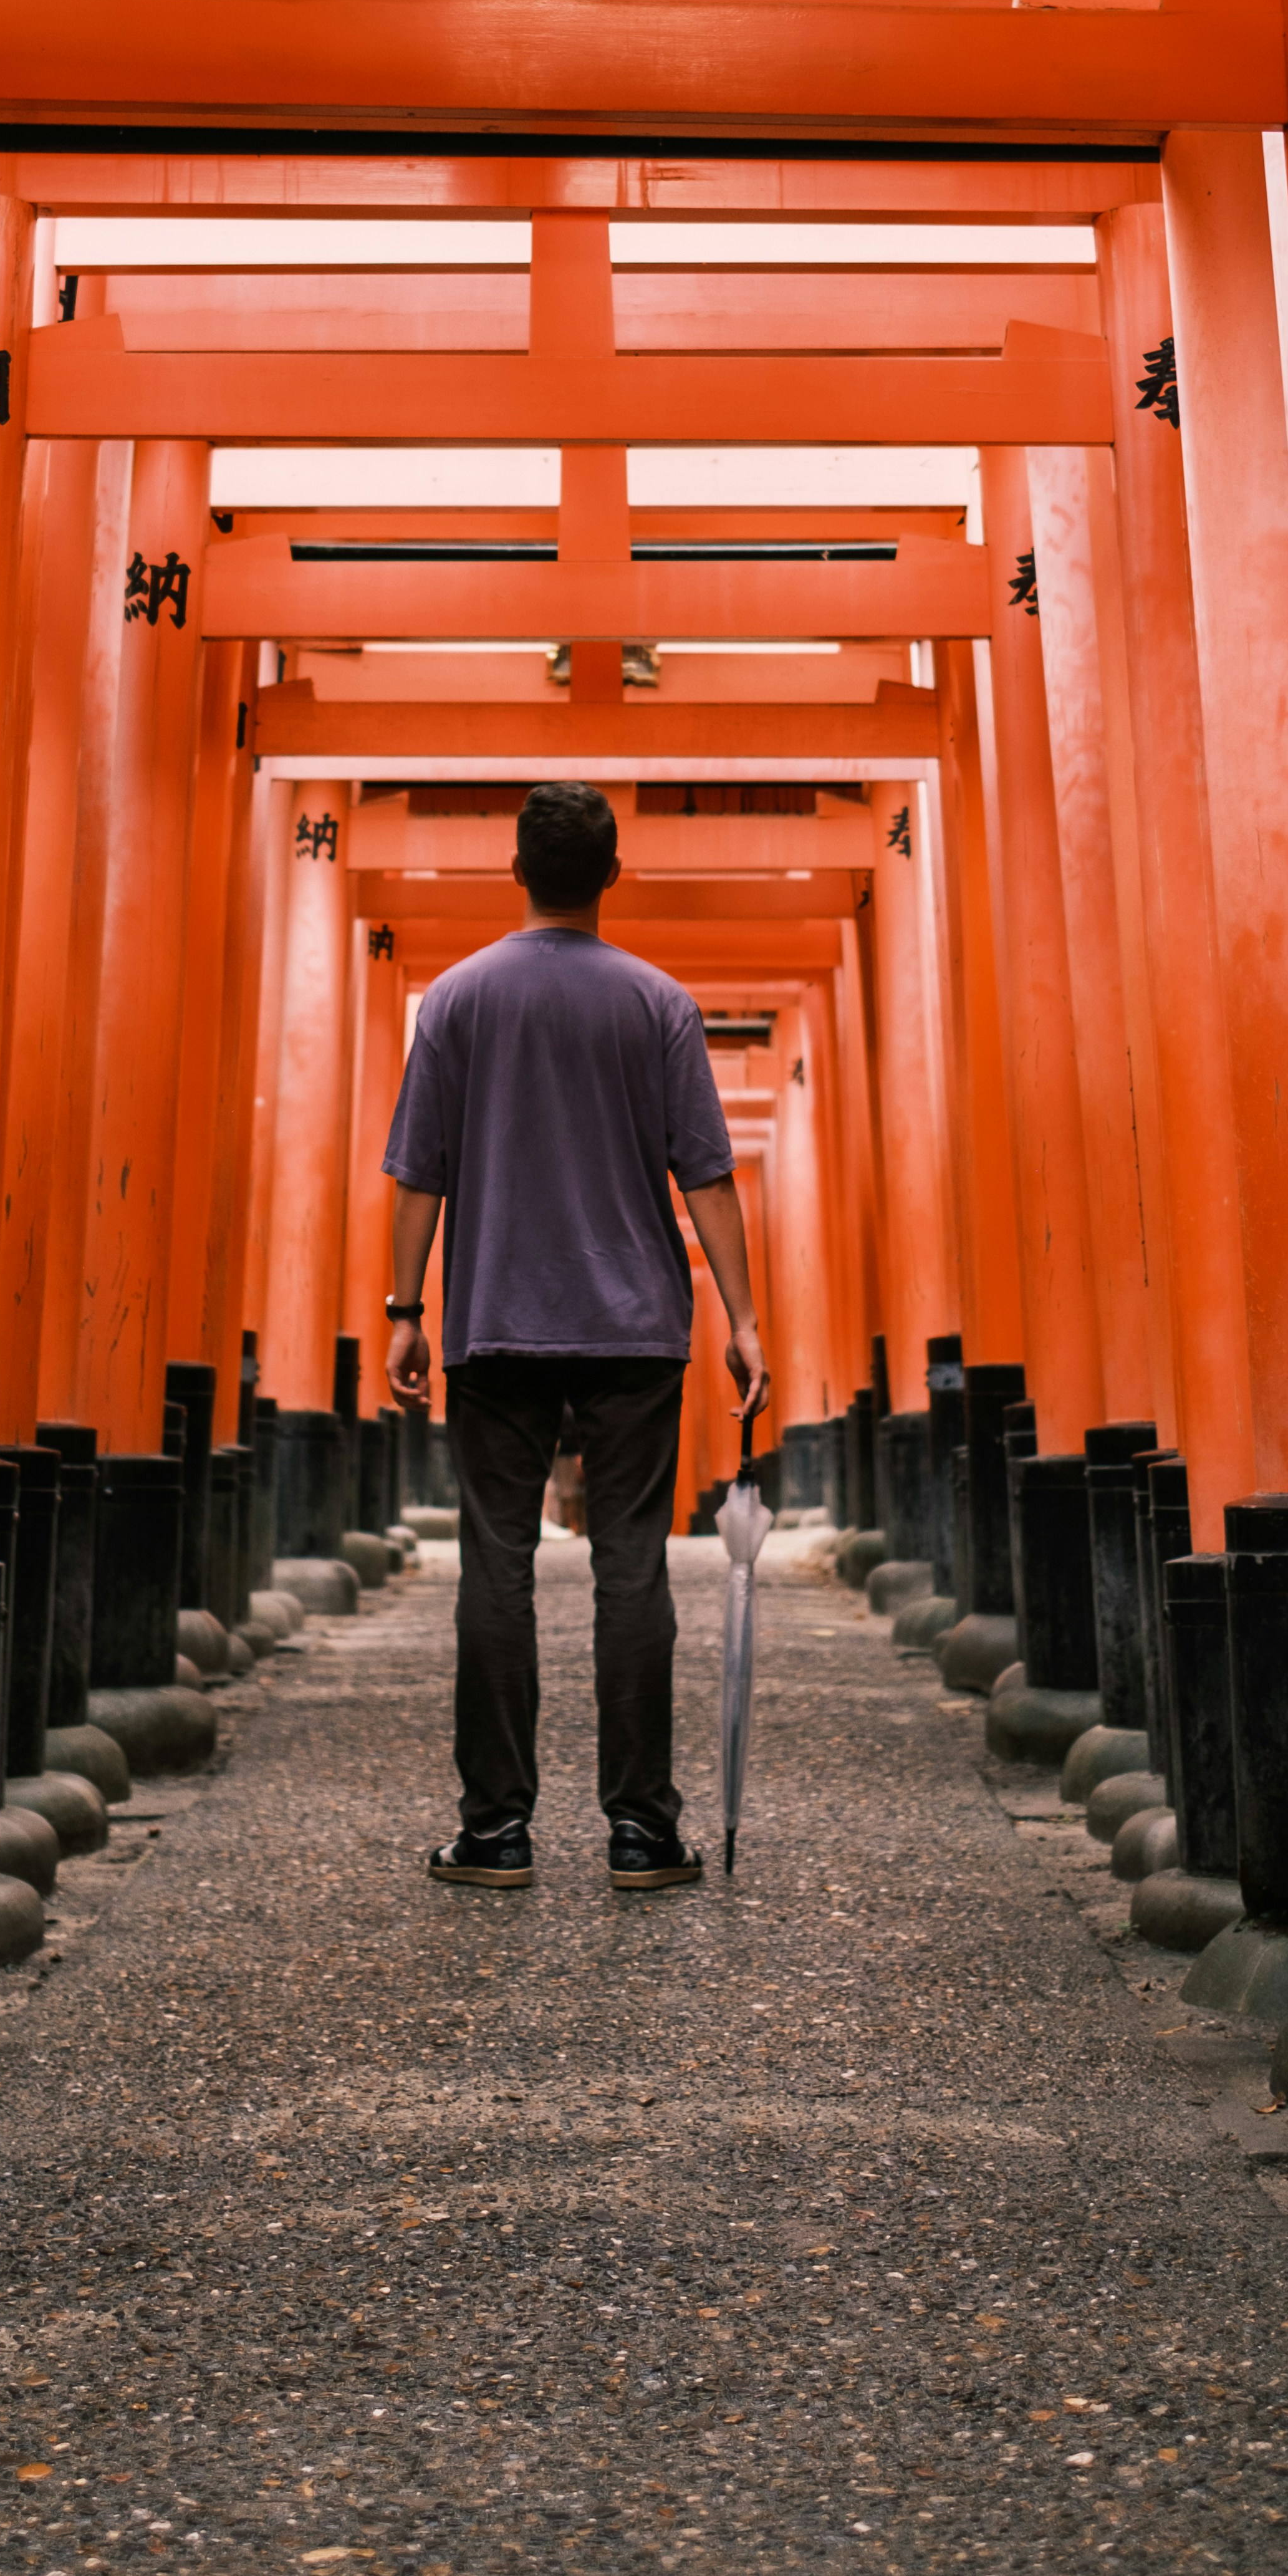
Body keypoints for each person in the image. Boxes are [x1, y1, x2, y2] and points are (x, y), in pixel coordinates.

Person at [382, 779, 768, 1892]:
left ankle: (495, 1830)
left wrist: (405, 1311)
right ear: (610, 873)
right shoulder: (658, 1003)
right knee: (630, 1563)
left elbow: (419, 1173)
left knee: (494, 1563)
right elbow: (705, 1170)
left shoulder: (453, 1000)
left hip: (494, 1321)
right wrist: (743, 1319)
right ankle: (642, 1829)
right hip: (636, 1327)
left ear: (517, 870)